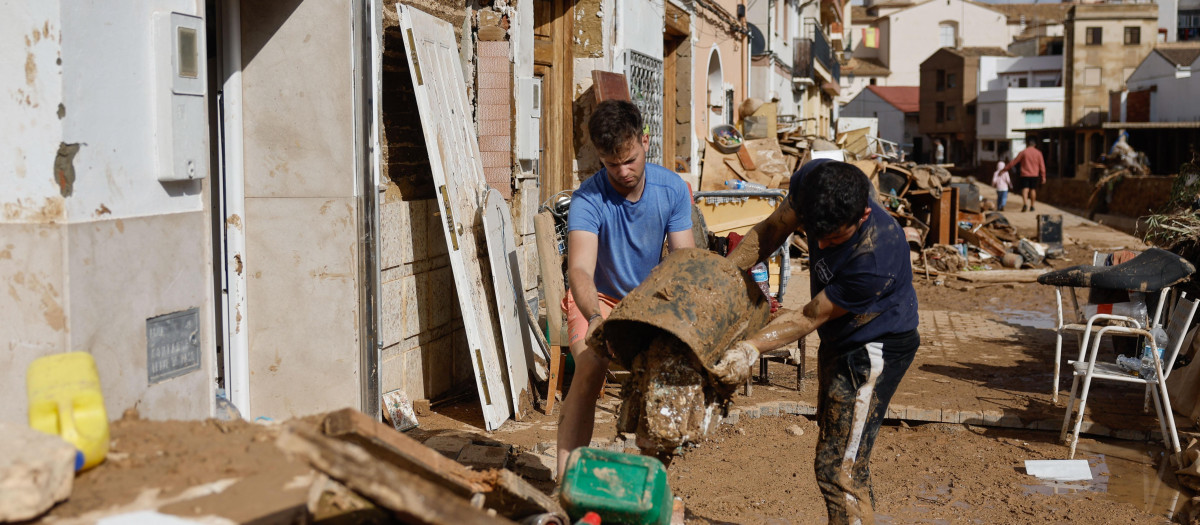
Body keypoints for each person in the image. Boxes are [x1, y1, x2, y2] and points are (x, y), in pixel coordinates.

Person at [722, 159, 920, 525]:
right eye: (816, 235)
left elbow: (810, 315)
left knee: (839, 469)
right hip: (840, 336)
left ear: (863, 215)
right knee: (839, 449)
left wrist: (750, 348)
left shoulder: (876, 257)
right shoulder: (814, 184)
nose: (823, 245)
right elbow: (772, 229)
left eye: (834, 239)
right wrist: (724, 277)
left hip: (874, 347)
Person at [557, 100, 695, 477]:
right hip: (597, 298)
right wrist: (594, 318)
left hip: (648, 300)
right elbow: (580, 270)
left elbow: (684, 263)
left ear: (644, 141)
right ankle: (566, 481)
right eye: (611, 163)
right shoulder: (588, 198)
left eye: (630, 160)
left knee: (665, 376)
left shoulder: (672, 189)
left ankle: (649, 482)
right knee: (589, 367)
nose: (622, 172)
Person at [1009, 138, 1046, 212]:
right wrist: (1043, 176)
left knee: (1025, 189)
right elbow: (1042, 166)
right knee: (1033, 189)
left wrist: (1005, 169)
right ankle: (1032, 206)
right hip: (1034, 175)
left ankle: (1025, 204)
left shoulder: (1023, 152)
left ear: (1027, 144)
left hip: (1025, 174)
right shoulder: (1038, 153)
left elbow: (1014, 161)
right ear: (1035, 145)